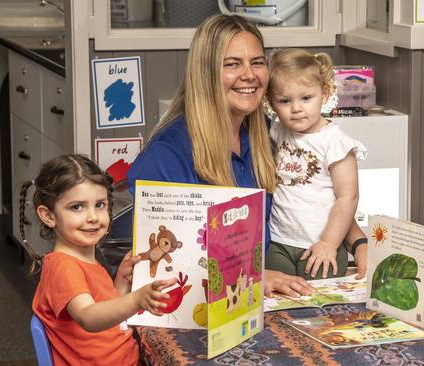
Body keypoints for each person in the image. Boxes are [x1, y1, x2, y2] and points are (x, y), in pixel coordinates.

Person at [127, 14, 368, 298]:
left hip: (277, 288)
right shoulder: (167, 154)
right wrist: (255, 276)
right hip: (207, 305)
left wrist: (359, 244)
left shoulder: (269, 133)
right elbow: (167, 256)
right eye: (232, 64)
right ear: (205, 73)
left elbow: (317, 194)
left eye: (257, 62)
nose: (249, 75)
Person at [22, 154, 176, 366]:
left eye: (100, 205)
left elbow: (105, 311)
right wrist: (135, 300)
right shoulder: (63, 267)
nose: (93, 216)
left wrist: (120, 284)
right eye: (77, 207)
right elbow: (88, 316)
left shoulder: (85, 258)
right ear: (48, 216)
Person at [265, 48, 368, 280]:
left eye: (306, 98)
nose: (296, 108)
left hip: (320, 245)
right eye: (284, 101)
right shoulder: (276, 130)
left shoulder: (335, 141)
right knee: (277, 305)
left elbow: (348, 197)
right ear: (271, 102)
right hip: (279, 241)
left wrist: (329, 242)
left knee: (319, 306)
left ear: (324, 93)